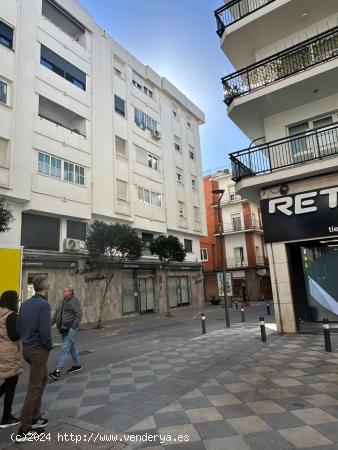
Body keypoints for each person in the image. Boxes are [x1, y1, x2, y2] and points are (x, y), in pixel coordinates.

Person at [16, 276, 53, 442]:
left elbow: (18, 327)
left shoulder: (25, 304)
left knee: (43, 380)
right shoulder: (44, 305)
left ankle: (36, 416)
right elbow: (45, 331)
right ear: (46, 288)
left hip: (27, 349)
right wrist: (49, 345)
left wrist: (26, 339)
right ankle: (24, 429)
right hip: (39, 350)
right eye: (49, 285)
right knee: (34, 387)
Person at [49, 285, 82, 380]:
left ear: (71, 292)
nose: (63, 292)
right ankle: (77, 365)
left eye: (65, 291)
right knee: (71, 347)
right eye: (63, 291)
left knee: (65, 349)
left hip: (70, 329)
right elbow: (56, 316)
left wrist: (73, 327)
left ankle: (58, 371)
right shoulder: (62, 302)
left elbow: (79, 315)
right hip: (63, 329)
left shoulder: (74, 301)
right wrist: (48, 325)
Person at [0, 291, 22, 428]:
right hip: (9, 353)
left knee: (8, 381)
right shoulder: (11, 316)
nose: (18, 302)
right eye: (17, 300)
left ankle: (7, 416)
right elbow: (14, 336)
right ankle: (6, 418)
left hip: (1, 351)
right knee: (11, 383)